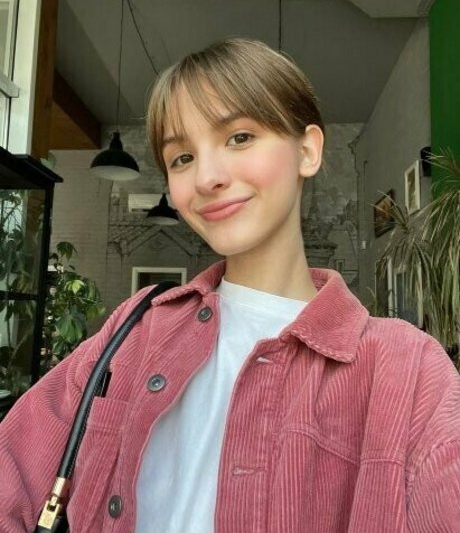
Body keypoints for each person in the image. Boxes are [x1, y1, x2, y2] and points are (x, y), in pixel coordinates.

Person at [0, 38, 459, 532]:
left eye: (239, 137)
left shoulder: (407, 370)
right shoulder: (136, 329)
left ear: (307, 150)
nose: (207, 177)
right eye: (181, 158)